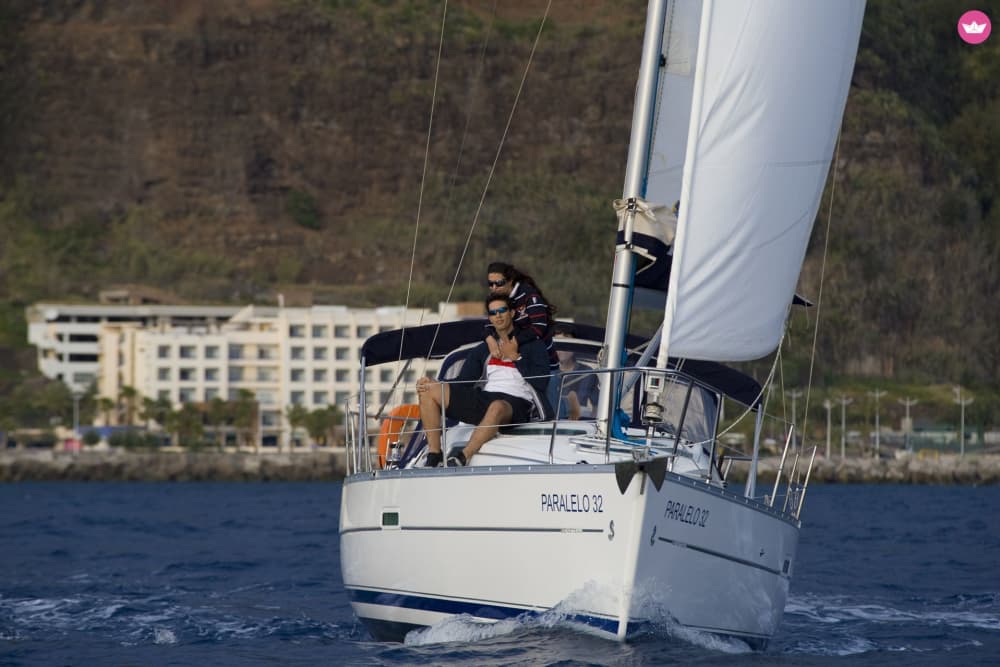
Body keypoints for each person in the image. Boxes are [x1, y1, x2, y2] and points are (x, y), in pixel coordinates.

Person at [416, 295, 552, 467]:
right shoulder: (484, 349)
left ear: (511, 313)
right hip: (486, 399)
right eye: (493, 313)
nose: (498, 316)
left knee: (497, 406)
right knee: (427, 389)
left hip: (518, 405)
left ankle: (462, 457)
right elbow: (463, 382)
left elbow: (541, 382)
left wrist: (515, 357)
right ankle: (434, 453)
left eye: (502, 310)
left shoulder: (534, 345)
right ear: (490, 318)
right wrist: (434, 382)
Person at [485, 261, 558, 371]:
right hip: (517, 365)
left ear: (510, 281)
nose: (494, 288)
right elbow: (488, 325)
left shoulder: (529, 295)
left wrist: (512, 343)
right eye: (490, 284)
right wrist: (490, 340)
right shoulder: (497, 299)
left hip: (546, 365)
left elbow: (539, 327)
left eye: (499, 283)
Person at [549, 344, 599, 420]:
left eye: (563, 347)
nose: (559, 350)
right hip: (549, 421)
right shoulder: (547, 372)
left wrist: (593, 423)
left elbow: (597, 404)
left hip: (577, 423)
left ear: (572, 350)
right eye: (556, 347)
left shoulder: (587, 373)